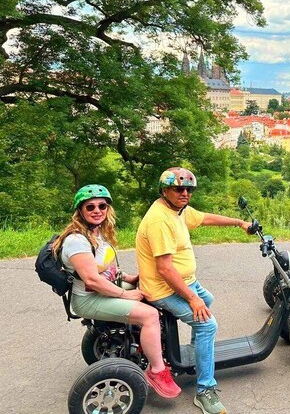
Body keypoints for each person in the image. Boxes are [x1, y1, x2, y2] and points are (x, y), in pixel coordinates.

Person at [135, 167, 252, 414]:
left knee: (207, 299)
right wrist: (191, 298)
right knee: (207, 324)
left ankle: (195, 353)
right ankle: (204, 390)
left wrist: (239, 222)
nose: (185, 193)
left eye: (189, 189)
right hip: (163, 288)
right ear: (164, 190)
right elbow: (165, 269)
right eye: (179, 189)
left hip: (185, 281)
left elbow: (204, 218)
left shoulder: (178, 211)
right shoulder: (160, 219)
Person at [54, 184, 181, 399]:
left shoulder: (96, 233)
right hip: (89, 298)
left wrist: (130, 279)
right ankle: (157, 371)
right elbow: (92, 280)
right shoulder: (77, 240)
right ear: (80, 211)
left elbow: (104, 269)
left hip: (99, 291)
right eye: (90, 207)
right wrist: (126, 294)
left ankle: (148, 343)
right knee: (149, 315)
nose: (97, 210)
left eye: (102, 206)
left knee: (147, 289)